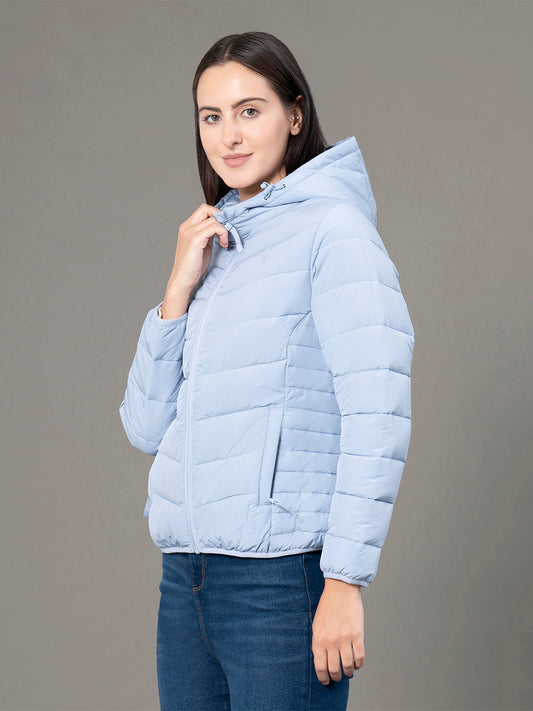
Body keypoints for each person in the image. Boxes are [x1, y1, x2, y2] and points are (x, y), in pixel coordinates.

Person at [119, 31, 415, 711]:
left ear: (295, 114)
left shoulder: (333, 231)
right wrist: (176, 290)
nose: (228, 135)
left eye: (249, 111)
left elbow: (377, 413)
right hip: (186, 580)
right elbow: (145, 427)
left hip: (279, 584)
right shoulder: (214, 244)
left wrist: (344, 581)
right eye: (211, 116)